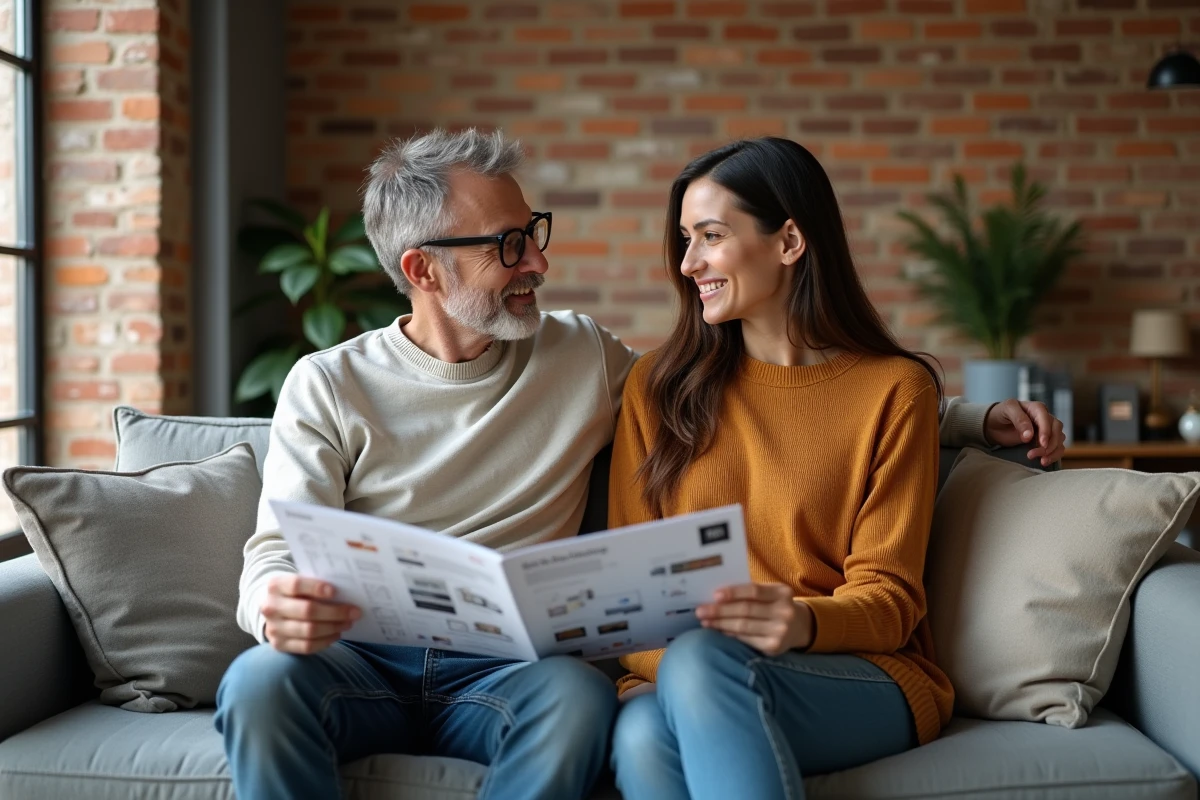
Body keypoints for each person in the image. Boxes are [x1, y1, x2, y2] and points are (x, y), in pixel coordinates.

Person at [213, 129, 1064, 800]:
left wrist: (963, 418)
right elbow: (276, 551)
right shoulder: (329, 383)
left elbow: (823, 397)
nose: (539, 262)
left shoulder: (586, 358)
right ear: (421, 269)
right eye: (510, 245)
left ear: (789, 242)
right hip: (369, 657)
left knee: (600, 702)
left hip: (522, 672)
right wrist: (271, 604)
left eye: (533, 234)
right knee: (260, 682)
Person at [605, 137, 1060, 800]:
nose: (687, 263)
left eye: (710, 235)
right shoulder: (657, 386)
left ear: (790, 241)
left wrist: (802, 622)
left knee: (691, 676)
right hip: (687, 671)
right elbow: (632, 607)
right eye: (684, 239)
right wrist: (680, 667)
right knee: (642, 732)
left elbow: (891, 601)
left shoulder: (896, 390)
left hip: (857, 673)